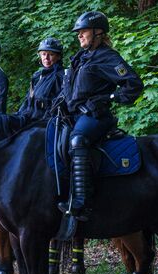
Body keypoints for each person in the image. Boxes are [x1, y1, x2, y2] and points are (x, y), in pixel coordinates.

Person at [57, 11, 144, 220]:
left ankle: (81, 201)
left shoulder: (108, 57)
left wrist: (109, 97)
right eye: (78, 32)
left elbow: (134, 85)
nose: (79, 35)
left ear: (98, 33)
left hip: (95, 116)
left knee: (78, 141)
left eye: (83, 31)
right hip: (73, 114)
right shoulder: (80, 58)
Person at [18, 38, 64, 121]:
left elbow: (58, 105)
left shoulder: (61, 77)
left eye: (51, 54)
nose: (46, 58)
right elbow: (28, 100)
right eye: (43, 54)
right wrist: (19, 115)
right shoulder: (37, 76)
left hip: (45, 121)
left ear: (58, 56)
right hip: (29, 117)